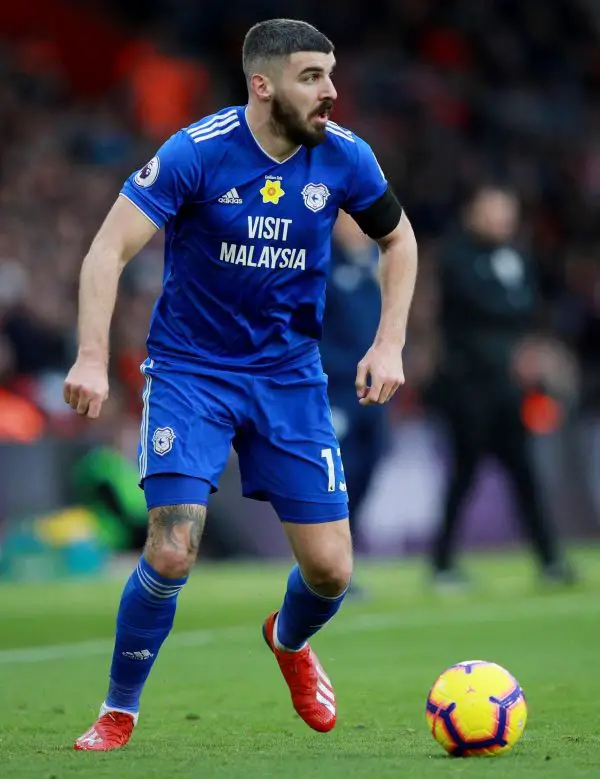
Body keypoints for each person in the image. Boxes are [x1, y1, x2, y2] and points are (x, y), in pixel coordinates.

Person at [63, 18, 418, 751]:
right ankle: (119, 709)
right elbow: (107, 250)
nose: (330, 91)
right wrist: (91, 358)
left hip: (289, 378)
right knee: (171, 548)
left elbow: (399, 238)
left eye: (330, 74)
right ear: (263, 84)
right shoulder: (196, 152)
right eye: (311, 77)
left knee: (331, 571)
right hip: (190, 373)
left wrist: (389, 343)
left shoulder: (345, 156)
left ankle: (288, 640)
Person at [427, 184, 574, 588]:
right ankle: (442, 564)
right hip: (469, 389)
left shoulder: (518, 257)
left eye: (506, 212)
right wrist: (515, 343)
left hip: (510, 391)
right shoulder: (457, 256)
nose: (500, 220)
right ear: (472, 213)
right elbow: (483, 308)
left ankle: (550, 560)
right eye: (492, 211)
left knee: (526, 475)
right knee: (463, 476)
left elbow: (530, 307)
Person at [320, 212, 389, 592]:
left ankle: (342, 556)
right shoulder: (321, 259)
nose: (360, 223)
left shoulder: (379, 260)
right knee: (337, 477)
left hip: (372, 390)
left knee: (370, 466)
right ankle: (329, 565)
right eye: (350, 216)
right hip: (335, 389)